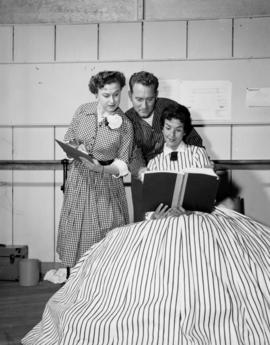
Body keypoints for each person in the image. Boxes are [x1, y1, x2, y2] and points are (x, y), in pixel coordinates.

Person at [22, 103, 270, 345]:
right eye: (168, 129)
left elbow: (206, 192)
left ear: (185, 131)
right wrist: (158, 215)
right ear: (162, 129)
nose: (172, 135)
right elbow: (152, 204)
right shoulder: (156, 163)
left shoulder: (197, 154)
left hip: (196, 217)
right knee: (121, 248)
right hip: (164, 221)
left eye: (178, 130)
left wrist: (190, 207)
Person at [56, 70, 134, 271]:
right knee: (76, 230)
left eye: (116, 94)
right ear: (96, 93)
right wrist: (74, 146)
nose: (112, 100)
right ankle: (75, 282)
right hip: (79, 179)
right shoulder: (83, 111)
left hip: (106, 182)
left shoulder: (125, 124)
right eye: (106, 95)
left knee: (106, 229)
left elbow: (123, 163)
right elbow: (70, 136)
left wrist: (102, 169)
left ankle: (103, 284)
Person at [125, 71, 204, 221]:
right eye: (139, 99)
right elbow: (132, 153)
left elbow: (192, 138)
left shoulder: (169, 106)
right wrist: (144, 174)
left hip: (179, 169)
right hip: (144, 174)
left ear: (156, 94)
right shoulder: (126, 121)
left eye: (150, 99)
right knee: (145, 224)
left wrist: (202, 163)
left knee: (186, 218)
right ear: (130, 95)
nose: (144, 106)